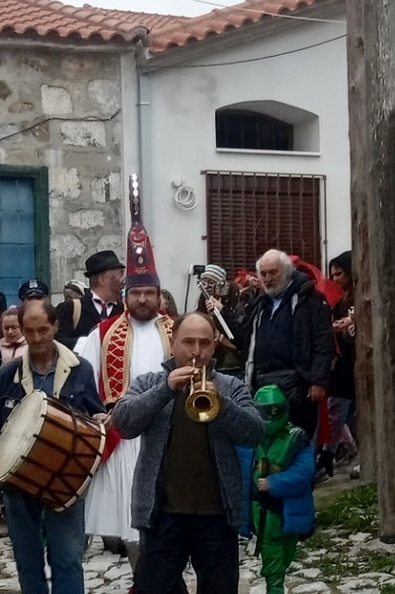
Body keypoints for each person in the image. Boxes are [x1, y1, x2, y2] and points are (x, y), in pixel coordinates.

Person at [113, 312, 264, 594]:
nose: (196, 352)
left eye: (204, 343)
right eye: (188, 342)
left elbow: (254, 433)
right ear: (173, 343)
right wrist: (165, 389)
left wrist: (221, 404)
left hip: (218, 516)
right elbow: (122, 423)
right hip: (162, 516)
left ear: (214, 345)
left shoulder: (231, 386)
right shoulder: (149, 383)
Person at [0, 300, 107, 594]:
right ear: (22, 330)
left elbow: (95, 414)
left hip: (66, 479)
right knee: (27, 561)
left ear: (55, 327)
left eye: (43, 330)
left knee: (68, 559)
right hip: (19, 483)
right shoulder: (5, 376)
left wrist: (99, 421)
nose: (36, 339)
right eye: (30, 331)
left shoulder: (80, 369)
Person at [73, 202, 173, 573]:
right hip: (124, 435)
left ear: (159, 294)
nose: (143, 299)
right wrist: (94, 412)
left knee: (167, 519)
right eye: (136, 293)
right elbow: (80, 378)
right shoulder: (102, 333)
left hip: (169, 434)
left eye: (149, 293)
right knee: (129, 522)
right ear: (125, 294)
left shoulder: (177, 330)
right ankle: (141, 579)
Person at [241, 249, 335, 440]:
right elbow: (245, 340)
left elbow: (323, 342)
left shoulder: (310, 299)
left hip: (299, 387)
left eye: (273, 272)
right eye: (263, 274)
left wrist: (318, 381)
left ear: (286, 271)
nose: (268, 279)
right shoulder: (259, 305)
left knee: (298, 441)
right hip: (263, 384)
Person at [242, 384, 316, 594]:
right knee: (272, 560)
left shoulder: (296, 438)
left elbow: (304, 471)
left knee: (286, 554)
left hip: (288, 508)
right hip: (263, 511)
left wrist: (275, 483)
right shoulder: (248, 437)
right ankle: (275, 588)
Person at [326, 252, 358, 468]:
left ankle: (330, 453)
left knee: (339, 412)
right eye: (333, 275)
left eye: (339, 274)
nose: (336, 279)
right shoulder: (336, 300)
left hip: (352, 364)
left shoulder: (357, 298)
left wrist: (348, 326)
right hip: (340, 362)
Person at [56, 250, 125, 348]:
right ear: (103, 280)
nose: (123, 281)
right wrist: (94, 341)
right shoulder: (70, 309)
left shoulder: (125, 311)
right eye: (120, 274)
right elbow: (59, 344)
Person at [195, 264, 247, 374]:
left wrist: (221, 312)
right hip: (207, 363)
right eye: (204, 281)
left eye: (210, 282)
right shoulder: (201, 304)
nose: (206, 286)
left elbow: (240, 334)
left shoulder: (235, 305)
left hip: (230, 365)